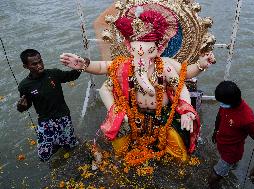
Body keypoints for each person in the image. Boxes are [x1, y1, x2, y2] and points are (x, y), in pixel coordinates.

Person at [60, 2, 215, 164]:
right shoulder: (124, 66)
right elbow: (101, 66)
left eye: (149, 52)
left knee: (179, 148)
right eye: (136, 51)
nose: (142, 58)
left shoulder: (165, 67)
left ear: (159, 49)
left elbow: (181, 86)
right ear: (129, 48)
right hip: (132, 115)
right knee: (114, 145)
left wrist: (187, 111)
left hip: (162, 116)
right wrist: (83, 64)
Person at [17, 49, 82, 162]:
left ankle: (70, 155)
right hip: (45, 122)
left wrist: (80, 65)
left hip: (63, 117)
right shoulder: (24, 86)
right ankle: (57, 148)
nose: (39, 65)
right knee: (44, 156)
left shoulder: (54, 74)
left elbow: (72, 76)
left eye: (40, 61)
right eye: (34, 64)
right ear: (25, 66)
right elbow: (26, 105)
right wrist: (21, 107)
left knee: (72, 147)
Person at [208, 81, 254, 188]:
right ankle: (231, 168)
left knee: (212, 180)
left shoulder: (248, 119)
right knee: (228, 168)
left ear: (231, 102)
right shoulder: (226, 103)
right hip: (222, 143)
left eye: (222, 102)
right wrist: (216, 131)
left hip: (231, 153)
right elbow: (219, 115)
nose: (221, 105)